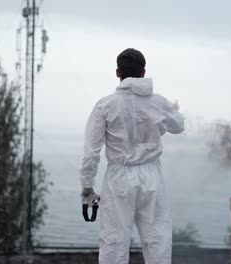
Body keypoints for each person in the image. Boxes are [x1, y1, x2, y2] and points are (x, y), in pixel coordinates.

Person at [79, 48, 185, 264]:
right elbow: (178, 125)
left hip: (118, 179)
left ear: (118, 73)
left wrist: (87, 188)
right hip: (152, 176)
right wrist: (171, 108)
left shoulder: (105, 105)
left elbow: (91, 152)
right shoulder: (158, 102)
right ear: (143, 72)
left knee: (114, 243)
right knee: (158, 241)